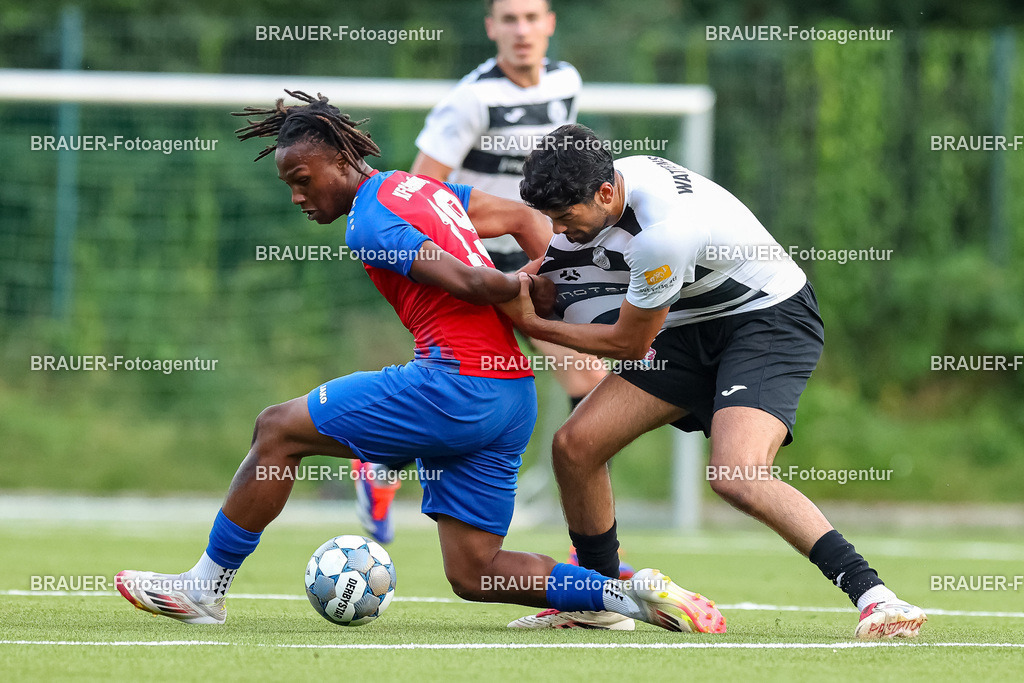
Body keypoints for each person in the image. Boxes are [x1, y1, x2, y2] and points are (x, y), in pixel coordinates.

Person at [113, 92, 725, 635]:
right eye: (290, 185)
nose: (299, 195)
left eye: (303, 178)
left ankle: (205, 589)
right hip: (509, 399)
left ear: (342, 161)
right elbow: (519, 217)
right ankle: (628, 593)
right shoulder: (416, 187)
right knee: (475, 572)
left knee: (277, 430)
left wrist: (529, 288)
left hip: (453, 386)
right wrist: (552, 279)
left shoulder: (371, 221)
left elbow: (469, 280)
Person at [500, 123, 927, 639]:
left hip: (766, 318)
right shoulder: (605, 192)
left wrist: (534, 324)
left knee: (737, 474)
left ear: (605, 193)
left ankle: (877, 597)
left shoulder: (664, 232)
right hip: (688, 323)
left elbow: (628, 345)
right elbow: (547, 274)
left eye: (565, 217)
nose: (559, 230)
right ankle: (601, 596)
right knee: (576, 446)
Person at [352, 0, 611, 547]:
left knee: (584, 381)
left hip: (536, 259)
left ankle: (382, 463)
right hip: (479, 270)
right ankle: (590, 547)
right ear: (491, 28)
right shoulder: (470, 101)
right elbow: (416, 193)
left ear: (550, 24)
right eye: (510, 19)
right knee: (488, 387)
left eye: (532, 17)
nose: (522, 30)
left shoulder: (565, 82)